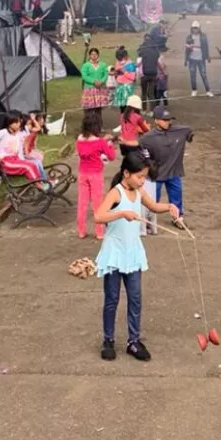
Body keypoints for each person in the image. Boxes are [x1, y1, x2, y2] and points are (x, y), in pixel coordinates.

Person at [94, 152, 180, 362]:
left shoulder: (139, 190)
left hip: (132, 253)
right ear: (126, 173)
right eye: (140, 176)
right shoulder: (116, 193)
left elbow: (153, 206)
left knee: (135, 299)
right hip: (115, 253)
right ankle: (108, 340)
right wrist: (121, 213)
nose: (143, 180)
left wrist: (169, 207)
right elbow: (98, 216)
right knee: (112, 300)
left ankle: (133, 341)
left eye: (144, 177)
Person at [138, 106, 194, 230]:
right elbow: (142, 153)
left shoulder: (180, 131)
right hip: (156, 174)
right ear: (156, 120)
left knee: (176, 198)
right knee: (152, 199)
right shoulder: (147, 138)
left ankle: (177, 218)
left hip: (174, 172)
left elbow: (188, 131)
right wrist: (149, 165)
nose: (168, 122)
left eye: (169, 120)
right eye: (164, 120)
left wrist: (190, 136)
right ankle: (148, 219)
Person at [75, 110, 117, 239]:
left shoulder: (80, 140)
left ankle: (81, 231)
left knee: (82, 203)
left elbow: (89, 146)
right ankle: (99, 232)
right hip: (96, 175)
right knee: (98, 203)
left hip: (83, 173)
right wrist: (110, 145)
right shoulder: (100, 142)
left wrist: (103, 141)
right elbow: (111, 156)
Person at [0, 114, 46, 182]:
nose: (19, 124)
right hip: (4, 161)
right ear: (9, 123)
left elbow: (19, 150)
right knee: (30, 166)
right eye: (16, 122)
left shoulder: (17, 135)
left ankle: (43, 181)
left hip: (14, 159)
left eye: (19, 122)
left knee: (34, 163)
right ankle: (41, 184)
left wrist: (22, 160)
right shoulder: (3, 132)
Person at [185, 20, 212, 97]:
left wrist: (208, 56)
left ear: (199, 28)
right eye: (194, 28)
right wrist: (185, 60)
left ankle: (208, 91)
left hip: (201, 59)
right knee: (193, 75)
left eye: (196, 28)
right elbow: (186, 49)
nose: (195, 29)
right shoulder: (189, 37)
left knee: (203, 75)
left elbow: (206, 47)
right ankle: (194, 90)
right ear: (192, 28)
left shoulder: (203, 36)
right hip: (192, 59)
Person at [118, 95, 150, 160]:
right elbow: (145, 129)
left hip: (122, 142)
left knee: (127, 160)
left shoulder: (122, 116)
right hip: (132, 143)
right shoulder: (137, 117)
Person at [80, 47, 111, 113]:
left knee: (98, 109)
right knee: (89, 109)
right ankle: (89, 122)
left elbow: (105, 74)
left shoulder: (103, 65)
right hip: (89, 89)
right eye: (92, 54)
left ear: (98, 55)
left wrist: (101, 81)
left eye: (95, 54)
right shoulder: (86, 65)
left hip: (100, 89)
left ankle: (98, 122)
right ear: (90, 55)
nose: (94, 56)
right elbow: (84, 76)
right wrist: (93, 82)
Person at [138, 36, 162, 108]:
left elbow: (139, 58)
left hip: (144, 74)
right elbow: (157, 61)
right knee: (151, 94)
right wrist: (162, 71)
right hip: (154, 74)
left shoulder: (142, 49)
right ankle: (152, 110)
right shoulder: (155, 50)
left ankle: (144, 109)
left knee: (144, 93)